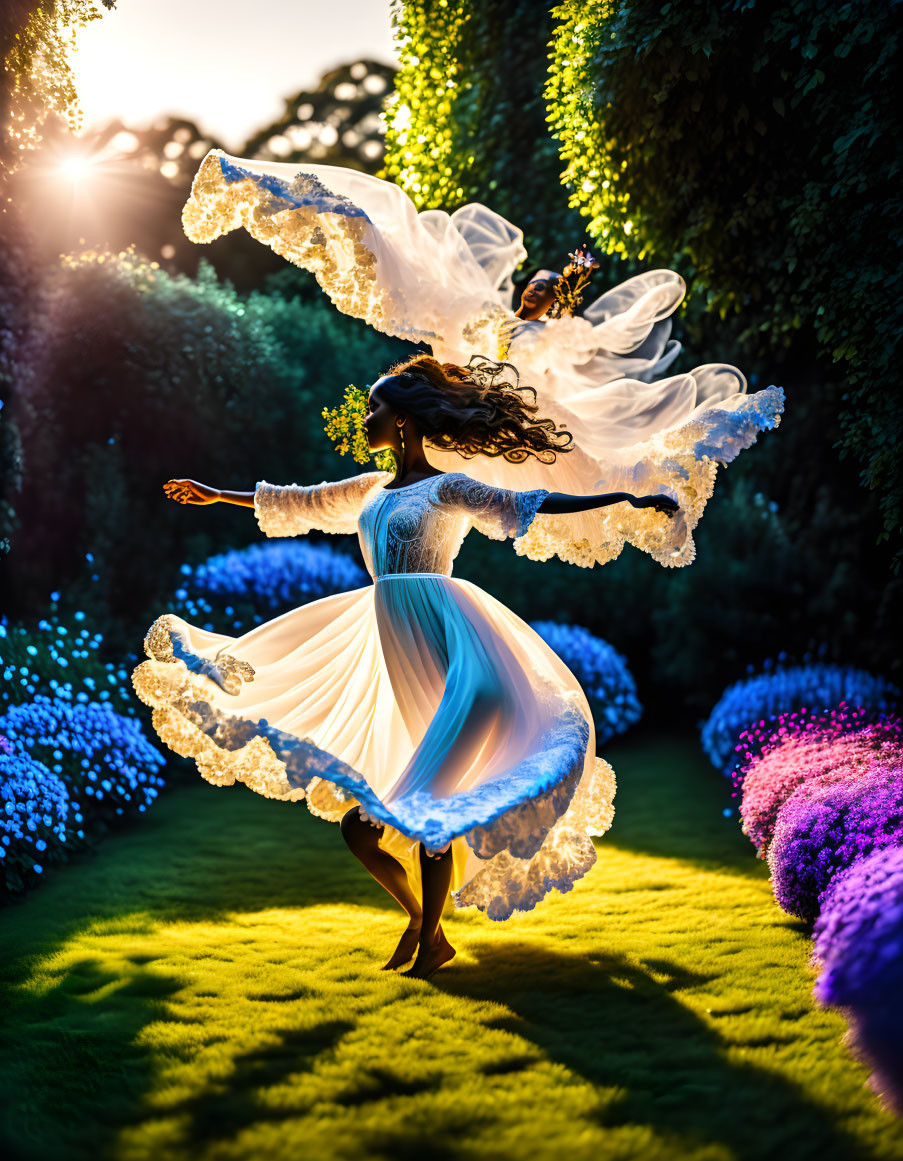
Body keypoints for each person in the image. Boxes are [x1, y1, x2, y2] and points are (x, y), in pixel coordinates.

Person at [132, 354, 679, 979]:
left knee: (429, 815)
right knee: (362, 831)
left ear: (404, 422)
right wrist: (215, 495)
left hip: (464, 660)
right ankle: (426, 924)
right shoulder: (369, 490)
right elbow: (299, 502)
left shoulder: (447, 488)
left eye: (377, 408)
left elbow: (531, 502)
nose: (368, 416)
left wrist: (626, 497)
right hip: (399, 654)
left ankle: (428, 949)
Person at [179, 149, 784, 569]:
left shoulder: (554, 336)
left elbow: (572, 365)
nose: (531, 292)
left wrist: (569, 289)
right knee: (389, 240)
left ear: (557, 300)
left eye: (545, 291)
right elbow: (315, 500)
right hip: (472, 403)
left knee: (578, 474)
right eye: (531, 285)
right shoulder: (491, 319)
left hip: (509, 411)